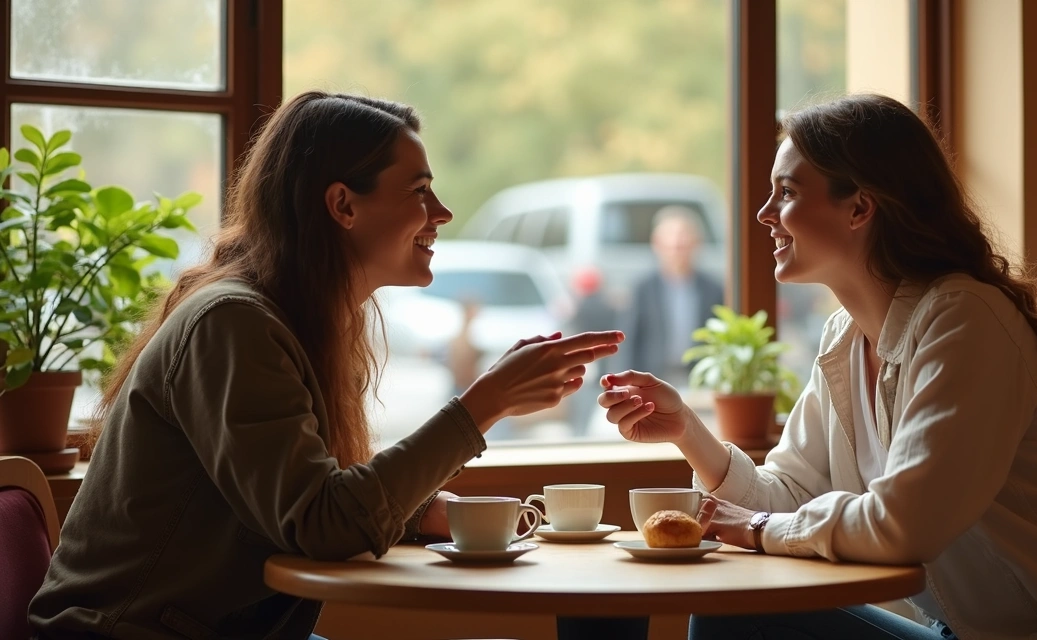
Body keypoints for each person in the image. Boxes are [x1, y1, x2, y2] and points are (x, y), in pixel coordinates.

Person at [28, 91, 622, 640]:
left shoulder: (292, 321)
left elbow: (310, 492)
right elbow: (323, 524)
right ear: (342, 205)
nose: (441, 211)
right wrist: (486, 402)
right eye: (419, 191)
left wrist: (422, 513)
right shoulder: (233, 323)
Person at [594, 95, 1037, 639]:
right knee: (734, 604)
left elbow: (905, 526)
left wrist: (755, 531)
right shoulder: (846, 337)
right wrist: (687, 431)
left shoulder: (964, 319)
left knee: (737, 613)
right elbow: (788, 495)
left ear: (861, 207)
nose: (764, 214)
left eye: (787, 192)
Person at [619, 205, 722, 388]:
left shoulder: (713, 289)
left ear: (696, 243)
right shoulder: (643, 289)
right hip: (653, 378)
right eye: (672, 244)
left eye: (683, 244)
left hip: (697, 381)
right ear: (657, 244)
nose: (677, 249)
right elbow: (629, 341)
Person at [566, 267, 620, 437]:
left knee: (581, 412)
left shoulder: (578, 308)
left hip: (583, 366)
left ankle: (580, 435)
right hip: (603, 364)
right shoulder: (609, 307)